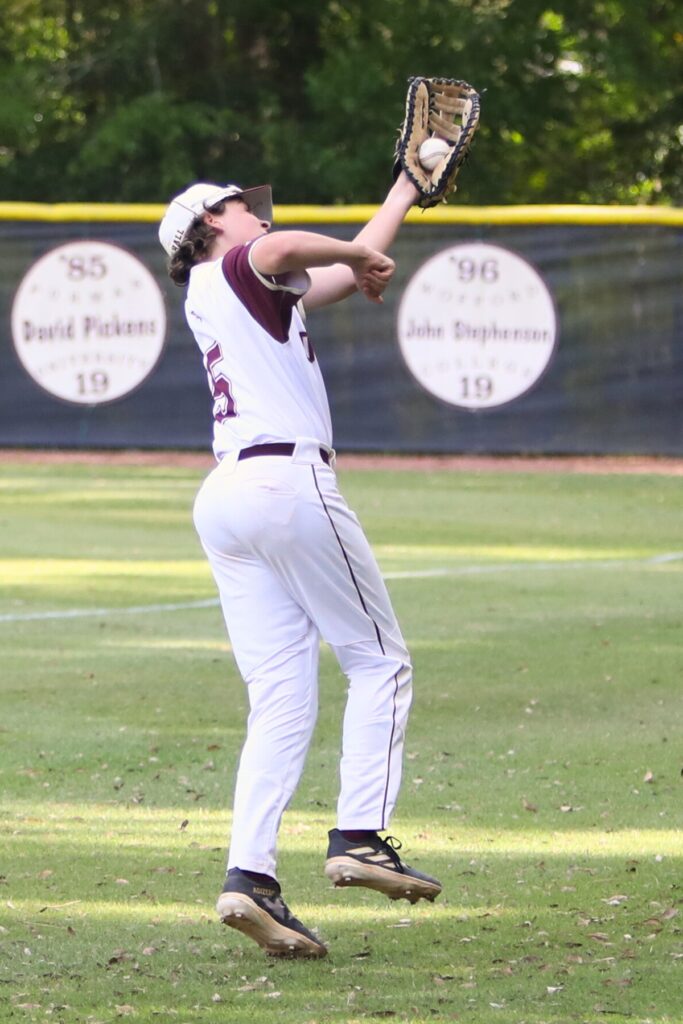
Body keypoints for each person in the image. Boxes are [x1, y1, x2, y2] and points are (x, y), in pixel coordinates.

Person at [158, 171, 442, 959]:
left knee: (281, 698)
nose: (254, 209)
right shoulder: (239, 261)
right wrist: (354, 248)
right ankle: (359, 834)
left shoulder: (236, 290)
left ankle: (249, 877)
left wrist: (402, 193)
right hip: (287, 481)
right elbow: (283, 245)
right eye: (239, 203)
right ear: (209, 222)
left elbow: (342, 275)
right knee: (379, 658)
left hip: (227, 496)